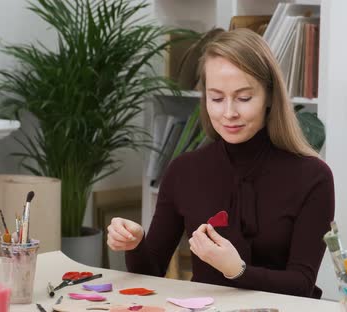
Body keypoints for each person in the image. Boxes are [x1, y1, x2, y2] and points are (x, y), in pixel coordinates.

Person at [107, 28, 334, 299]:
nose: (229, 113)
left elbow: (302, 284)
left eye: (244, 98)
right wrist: (135, 243)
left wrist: (237, 270)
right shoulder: (183, 171)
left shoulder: (313, 177)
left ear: (270, 97)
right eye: (216, 98)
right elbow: (152, 271)